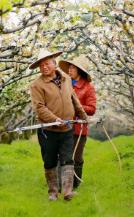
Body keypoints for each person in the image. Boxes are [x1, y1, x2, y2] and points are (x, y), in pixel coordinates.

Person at [29, 49, 88, 201]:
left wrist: (82, 115)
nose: (44, 67)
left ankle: (68, 192)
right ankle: (53, 192)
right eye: (41, 65)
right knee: (49, 161)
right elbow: (40, 108)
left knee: (68, 159)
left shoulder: (66, 79)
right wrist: (54, 119)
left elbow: (73, 97)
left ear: (54, 63)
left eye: (47, 63)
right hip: (48, 130)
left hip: (67, 128)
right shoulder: (37, 85)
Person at [58, 56, 96, 189]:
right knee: (62, 155)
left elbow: (91, 109)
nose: (70, 69)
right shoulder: (64, 84)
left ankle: (76, 183)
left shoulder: (88, 87)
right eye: (69, 67)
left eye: (73, 67)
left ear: (80, 70)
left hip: (79, 128)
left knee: (76, 157)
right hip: (63, 126)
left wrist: (75, 106)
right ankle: (62, 184)